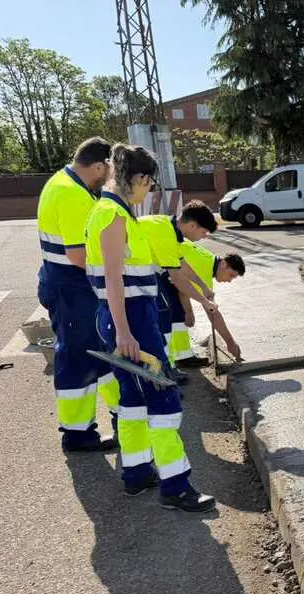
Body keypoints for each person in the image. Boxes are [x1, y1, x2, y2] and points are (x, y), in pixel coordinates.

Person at [84, 143, 214, 512]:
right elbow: (113, 278)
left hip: (123, 319)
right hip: (132, 322)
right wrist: (124, 332)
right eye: (150, 183)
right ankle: (176, 486)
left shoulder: (110, 211)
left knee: (133, 400)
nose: (149, 190)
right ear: (139, 178)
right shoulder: (114, 216)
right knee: (163, 398)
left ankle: (137, 472)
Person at [36, 137, 121, 452]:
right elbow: (78, 255)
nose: (110, 178)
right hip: (72, 287)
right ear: (98, 166)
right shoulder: (73, 195)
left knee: (98, 351)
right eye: (109, 171)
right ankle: (77, 433)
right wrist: (115, 271)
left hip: (66, 284)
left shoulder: (62, 182)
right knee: (77, 358)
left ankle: (122, 414)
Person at [138, 201, 220, 381]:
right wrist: (204, 301)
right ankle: (165, 370)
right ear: (193, 226)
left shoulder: (170, 228)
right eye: (204, 232)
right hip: (136, 275)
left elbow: (182, 265)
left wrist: (204, 287)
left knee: (168, 311)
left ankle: (169, 366)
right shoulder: (165, 235)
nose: (204, 237)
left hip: (146, 273)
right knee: (162, 315)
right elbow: (178, 278)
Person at [179, 240, 246, 358]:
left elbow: (183, 288)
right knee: (177, 316)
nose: (229, 280)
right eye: (231, 275)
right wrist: (230, 343)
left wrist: (189, 312)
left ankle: (181, 355)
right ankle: (181, 357)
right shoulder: (204, 269)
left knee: (182, 314)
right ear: (224, 264)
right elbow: (213, 313)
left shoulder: (209, 258)